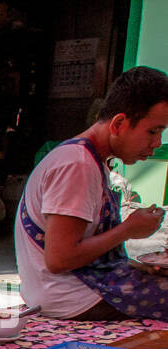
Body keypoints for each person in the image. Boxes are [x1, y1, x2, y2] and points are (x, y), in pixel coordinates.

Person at [14, 66, 168, 320]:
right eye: (153, 131)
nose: (157, 143)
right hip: (69, 297)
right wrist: (129, 229)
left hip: (78, 288)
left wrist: (136, 266)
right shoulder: (77, 165)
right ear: (119, 124)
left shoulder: (90, 161)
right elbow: (59, 258)